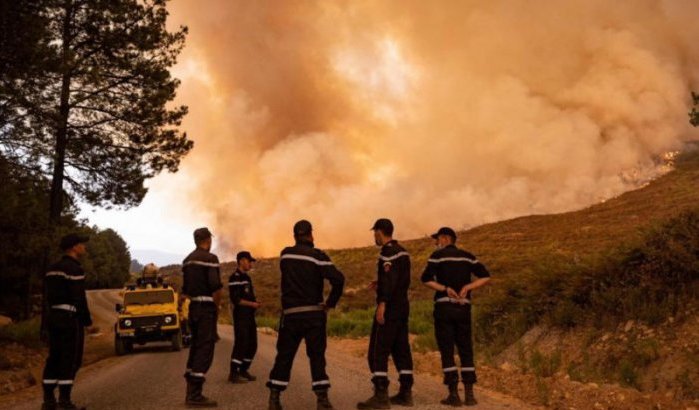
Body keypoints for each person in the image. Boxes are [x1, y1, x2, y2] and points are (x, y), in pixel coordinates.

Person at [267, 220, 345, 410]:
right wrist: (329, 304)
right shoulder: (318, 256)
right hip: (313, 315)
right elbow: (339, 279)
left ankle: (274, 399)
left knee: (284, 356)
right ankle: (322, 401)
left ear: (294, 236)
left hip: (291, 315)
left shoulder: (285, 255)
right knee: (317, 356)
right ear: (311, 235)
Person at [421, 227, 491, 406]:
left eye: (438, 239)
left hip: (444, 307)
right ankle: (469, 395)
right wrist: (468, 287)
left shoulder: (437, 256)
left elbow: (425, 279)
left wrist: (445, 289)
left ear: (446, 238)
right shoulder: (468, 256)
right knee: (466, 349)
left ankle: (453, 394)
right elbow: (485, 276)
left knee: (447, 350)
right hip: (464, 308)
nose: (436, 243)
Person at [358, 218, 414, 409]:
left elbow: (390, 280)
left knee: (377, 350)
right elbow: (399, 280)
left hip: (390, 308)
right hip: (402, 306)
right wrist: (380, 283)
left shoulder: (388, 253)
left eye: (374, 232)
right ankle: (406, 393)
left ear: (380, 232)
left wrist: (382, 303)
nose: (374, 236)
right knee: (401, 349)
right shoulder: (403, 251)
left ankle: (380, 396)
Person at [41, 233, 92, 410]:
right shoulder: (75, 269)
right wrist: (86, 319)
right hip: (70, 319)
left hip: (53, 317)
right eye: (81, 244)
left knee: (54, 356)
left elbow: (46, 297)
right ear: (73, 247)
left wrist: (45, 323)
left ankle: (48, 400)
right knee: (71, 358)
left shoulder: (51, 268)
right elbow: (79, 297)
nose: (84, 247)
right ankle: (65, 400)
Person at [182, 227, 223, 407]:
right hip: (206, 308)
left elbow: (185, 290)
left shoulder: (187, 261)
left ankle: (190, 389)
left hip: (193, 309)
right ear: (208, 240)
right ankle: (195, 395)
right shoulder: (210, 259)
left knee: (195, 347)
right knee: (205, 349)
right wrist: (216, 309)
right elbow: (216, 287)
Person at [228, 251, 260, 383]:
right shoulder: (234, 277)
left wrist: (255, 303)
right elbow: (236, 299)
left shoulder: (247, 278)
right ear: (241, 261)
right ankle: (233, 373)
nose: (251, 263)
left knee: (252, 344)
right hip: (241, 316)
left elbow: (248, 295)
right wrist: (252, 304)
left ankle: (243, 369)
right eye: (249, 261)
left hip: (249, 316)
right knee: (241, 343)